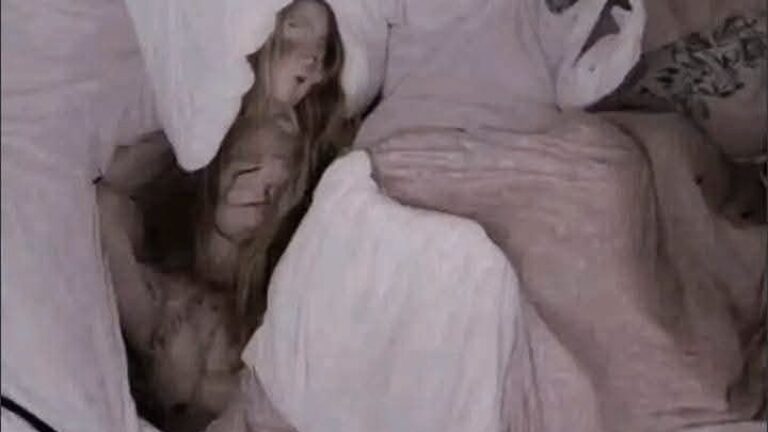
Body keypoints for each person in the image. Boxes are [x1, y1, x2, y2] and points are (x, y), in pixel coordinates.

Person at [97, 1, 347, 430]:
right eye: (295, 28)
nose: (312, 57)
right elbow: (108, 198)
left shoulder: (317, 148)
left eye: (322, 51)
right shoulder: (198, 138)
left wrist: (187, 389)